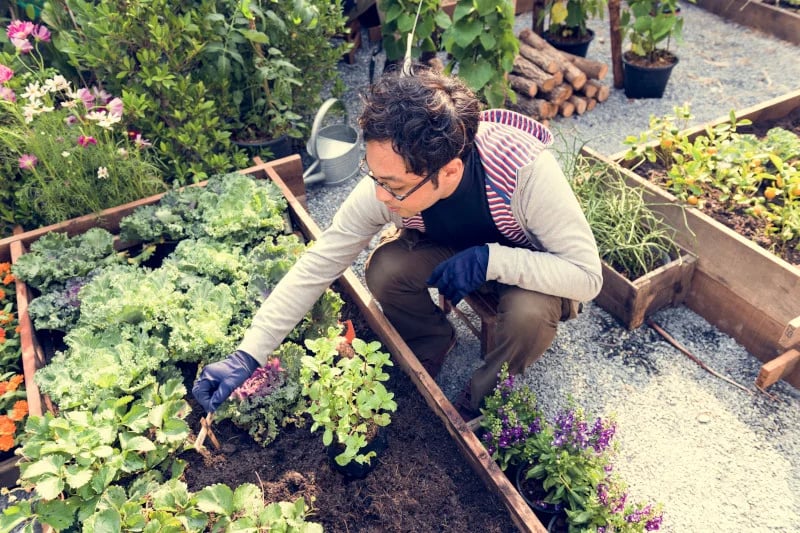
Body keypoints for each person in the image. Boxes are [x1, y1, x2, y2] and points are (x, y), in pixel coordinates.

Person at [192, 64, 602, 420]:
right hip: (456, 249)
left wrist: (491, 260)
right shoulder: (390, 181)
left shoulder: (524, 172)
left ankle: (482, 401)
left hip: (529, 267)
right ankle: (432, 339)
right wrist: (248, 354)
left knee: (527, 316)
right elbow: (321, 261)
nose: (381, 195)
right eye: (375, 176)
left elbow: (587, 277)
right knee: (385, 270)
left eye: (394, 186)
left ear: (450, 171)